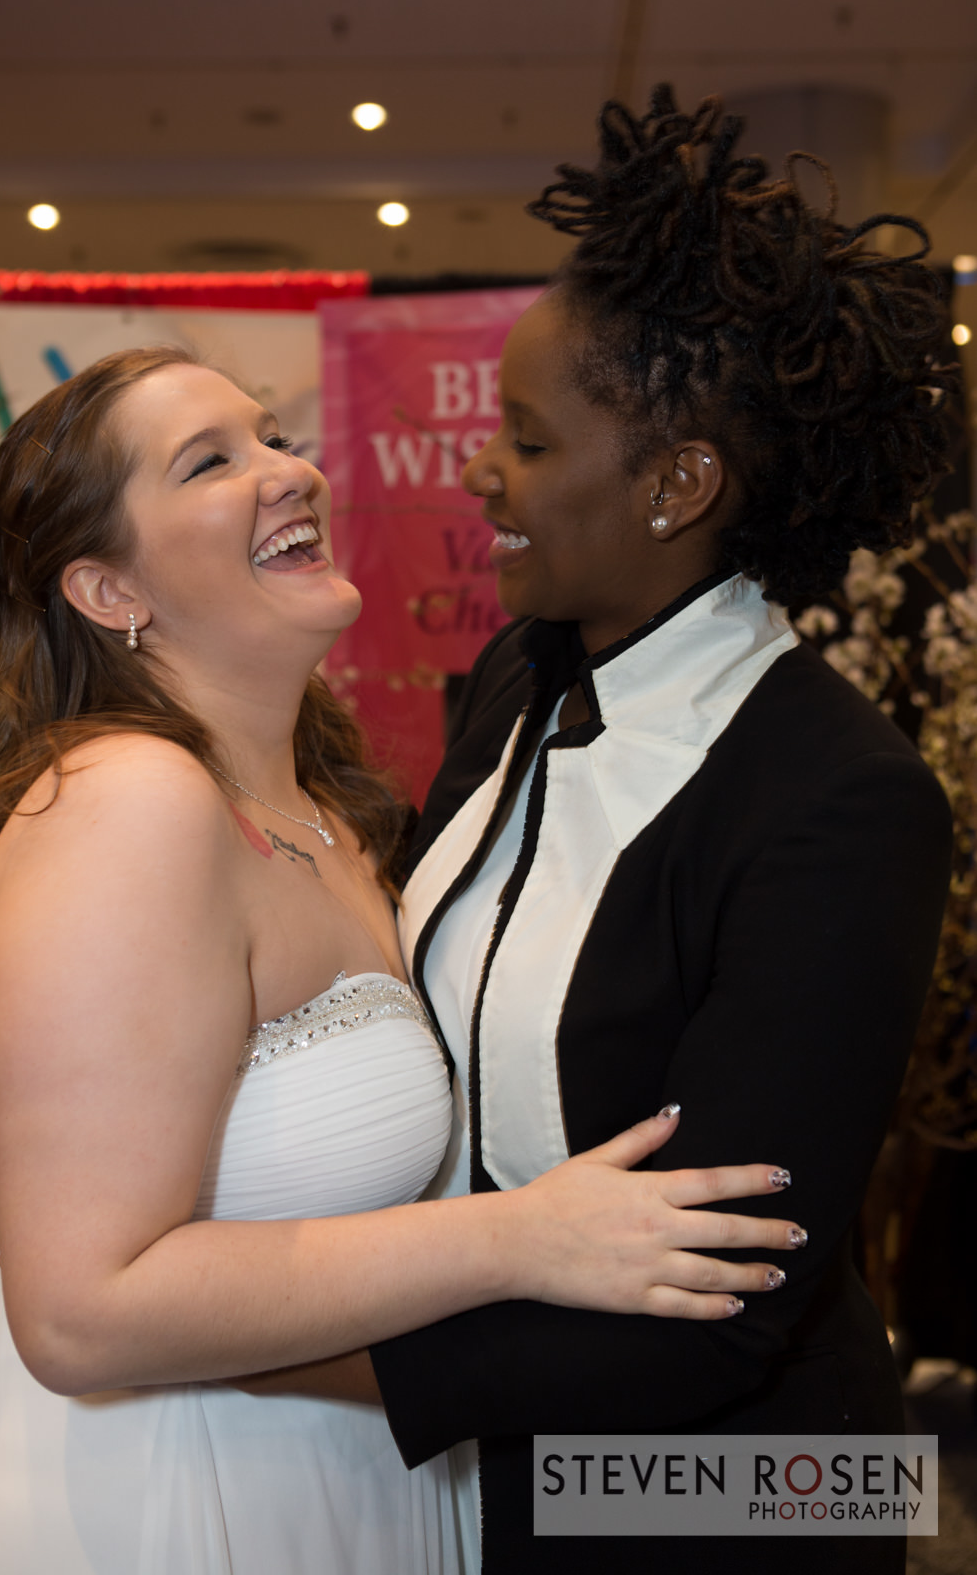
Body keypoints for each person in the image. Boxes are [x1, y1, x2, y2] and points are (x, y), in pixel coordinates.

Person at [0, 345, 800, 1574]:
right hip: (172, 1487)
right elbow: (77, 1311)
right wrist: (521, 1235)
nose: (291, 473)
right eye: (211, 462)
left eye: (274, 436)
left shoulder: (320, 805)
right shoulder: (130, 802)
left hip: (341, 1459)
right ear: (109, 590)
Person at [360, 89, 956, 1574]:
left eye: (524, 439)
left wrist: (281, 1368)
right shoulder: (514, 674)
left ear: (675, 484)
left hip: (747, 1487)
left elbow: (722, 1307)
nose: (477, 471)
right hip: (500, 1440)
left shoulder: (839, 796)